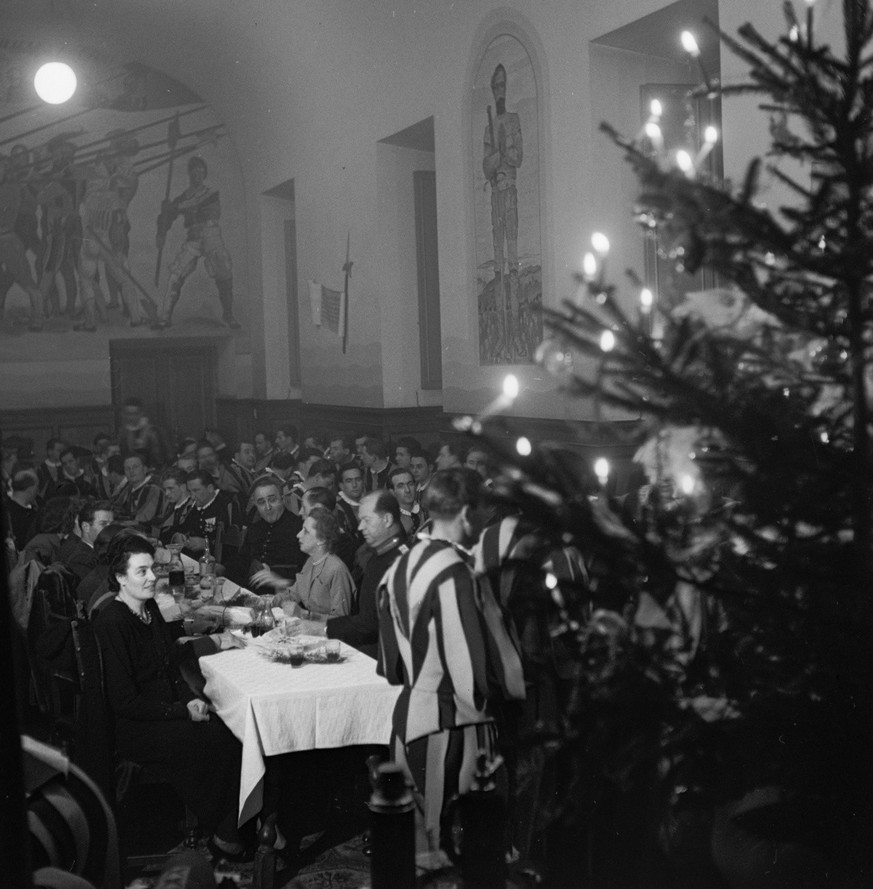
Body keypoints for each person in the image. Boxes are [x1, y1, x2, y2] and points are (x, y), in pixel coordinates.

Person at [377, 468, 525, 859]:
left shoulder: (401, 564)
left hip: (408, 717)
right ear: (465, 515)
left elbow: (389, 662)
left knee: (420, 847)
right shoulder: (455, 574)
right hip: (453, 727)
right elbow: (471, 678)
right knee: (459, 850)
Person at [93, 534, 249, 860]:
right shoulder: (111, 621)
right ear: (120, 578)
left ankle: (229, 828)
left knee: (231, 727)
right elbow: (124, 702)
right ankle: (226, 830)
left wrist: (188, 699)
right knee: (216, 737)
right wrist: (181, 711)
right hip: (136, 727)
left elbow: (171, 666)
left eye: (152, 569)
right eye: (141, 572)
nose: (152, 578)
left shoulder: (149, 609)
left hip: (164, 711)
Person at [299, 490, 407, 658]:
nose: (360, 527)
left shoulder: (399, 561)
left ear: (387, 520)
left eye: (366, 520)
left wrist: (322, 628)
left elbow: (370, 625)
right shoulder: (382, 554)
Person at [153, 156, 240, 329]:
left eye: (201, 172)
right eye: (194, 172)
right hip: (193, 238)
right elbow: (167, 217)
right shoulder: (183, 196)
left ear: (205, 174)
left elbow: (196, 203)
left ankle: (229, 316)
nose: (197, 175)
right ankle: (165, 317)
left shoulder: (211, 193)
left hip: (211, 236)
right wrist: (161, 232)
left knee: (224, 274)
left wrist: (174, 207)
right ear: (190, 174)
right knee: (175, 277)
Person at [483, 62, 523, 356]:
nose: (500, 90)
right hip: (495, 195)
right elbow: (488, 165)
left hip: (510, 192)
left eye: (502, 85)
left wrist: (502, 153)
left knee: (514, 264)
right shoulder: (489, 126)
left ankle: (518, 332)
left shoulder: (512, 120)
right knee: (497, 268)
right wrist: (497, 157)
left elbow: (517, 157)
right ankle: (500, 335)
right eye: (496, 86)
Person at [257, 506, 353, 619]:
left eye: (306, 531)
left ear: (321, 540)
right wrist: (271, 601)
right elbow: (293, 594)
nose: (298, 535)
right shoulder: (310, 561)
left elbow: (341, 621)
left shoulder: (337, 569)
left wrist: (304, 614)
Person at [226, 476, 303, 589]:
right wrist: (222, 569)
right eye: (261, 502)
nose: (267, 507)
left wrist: (277, 575)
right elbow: (241, 561)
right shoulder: (255, 528)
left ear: (282, 499)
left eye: (272, 500)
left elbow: (306, 572)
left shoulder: (299, 528)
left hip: (285, 593)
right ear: (256, 505)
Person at [59, 499, 114, 582]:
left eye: (111, 524)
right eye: (103, 524)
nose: (110, 529)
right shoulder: (80, 560)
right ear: (86, 527)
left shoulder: (99, 553)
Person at [114, 453, 164, 529]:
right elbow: (115, 507)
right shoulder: (128, 488)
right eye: (127, 469)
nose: (131, 471)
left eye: (135, 467)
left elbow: (143, 518)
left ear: (145, 469)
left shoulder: (154, 489)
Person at [117, 398, 168, 469]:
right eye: (128, 414)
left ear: (141, 413)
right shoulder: (123, 432)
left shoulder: (151, 432)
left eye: (134, 414)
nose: (131, 417)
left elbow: (159, 457)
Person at [387, 466, 422, 542]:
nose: (407, 490)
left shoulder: (426, 511)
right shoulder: (391, 521)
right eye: (400, 486)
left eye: (410, 484)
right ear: (392, 492)